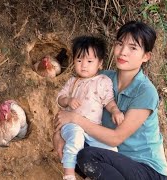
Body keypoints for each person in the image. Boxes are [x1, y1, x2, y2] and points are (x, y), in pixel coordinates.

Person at [54, 21, 167, 180]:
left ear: (146, 56)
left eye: (133, 48)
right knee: (73, 147)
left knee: (87, 156)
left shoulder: (145, 92)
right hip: (112, 159)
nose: (123, 52)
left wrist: (75, 119)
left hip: (146, 170)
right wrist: (59, 135)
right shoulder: (101, 78)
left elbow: (116, 138)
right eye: (120, 44)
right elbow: (69, 110)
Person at [53, 36, 124, 180]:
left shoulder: (104, 81)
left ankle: (93, 175)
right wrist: (68, 100)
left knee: (112, 149)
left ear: (100, 64)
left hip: (93, 127)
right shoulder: (73, 81)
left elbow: (108, 101)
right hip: (71, 124)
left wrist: (115, 111)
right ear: (73, 61)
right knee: (76, 140)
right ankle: (69, 174)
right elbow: (60, 98)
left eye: (90, 61)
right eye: (79, 60)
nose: (83, 65)